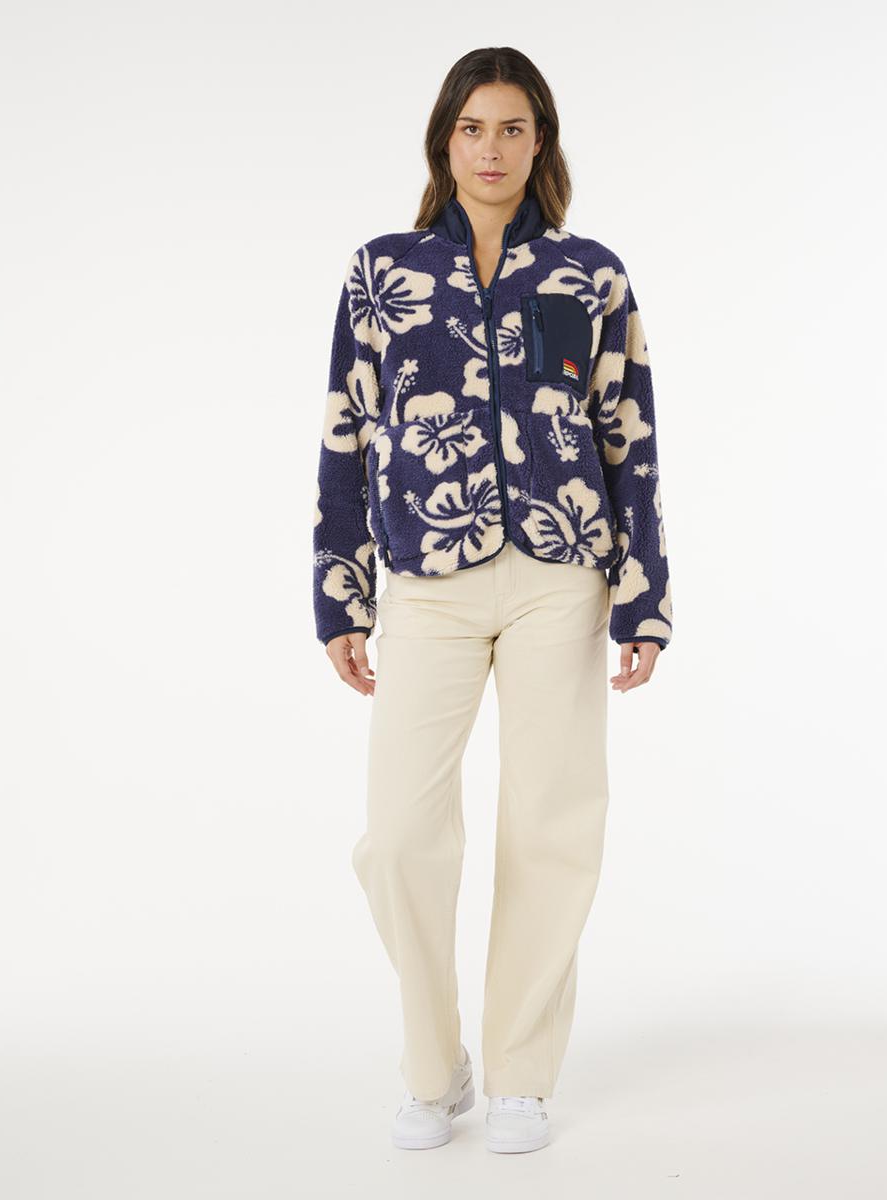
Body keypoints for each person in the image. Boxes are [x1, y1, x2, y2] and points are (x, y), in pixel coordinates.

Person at [312, 46, 673, 1153]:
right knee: (399, 835)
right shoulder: (381, 272)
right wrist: (341, 594)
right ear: (444, 139)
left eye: (513, 128)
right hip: (426, 576)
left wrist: (643, 597)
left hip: (561, 574)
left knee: (551, 820)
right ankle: (437, 1069)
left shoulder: (590, 275)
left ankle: (521, 1073)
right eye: (473, 128)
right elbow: (345, 434)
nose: (492, 148)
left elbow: (629, 437)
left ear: (540, 142)